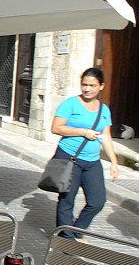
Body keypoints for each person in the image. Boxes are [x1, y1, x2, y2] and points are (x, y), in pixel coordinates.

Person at [50, 68, 119, 242]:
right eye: (84, 84)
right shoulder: (70, 104)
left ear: (101, 86)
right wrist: (82, 131)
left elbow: (106, 135)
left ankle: (77, 229)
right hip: (69, 158)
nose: (87, 89)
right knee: (67, 200)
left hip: (92, 161)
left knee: (97, 201)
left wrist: (114, 161)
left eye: (92, 85)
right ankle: (66, 238)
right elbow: (56, 128)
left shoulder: (104, 110)